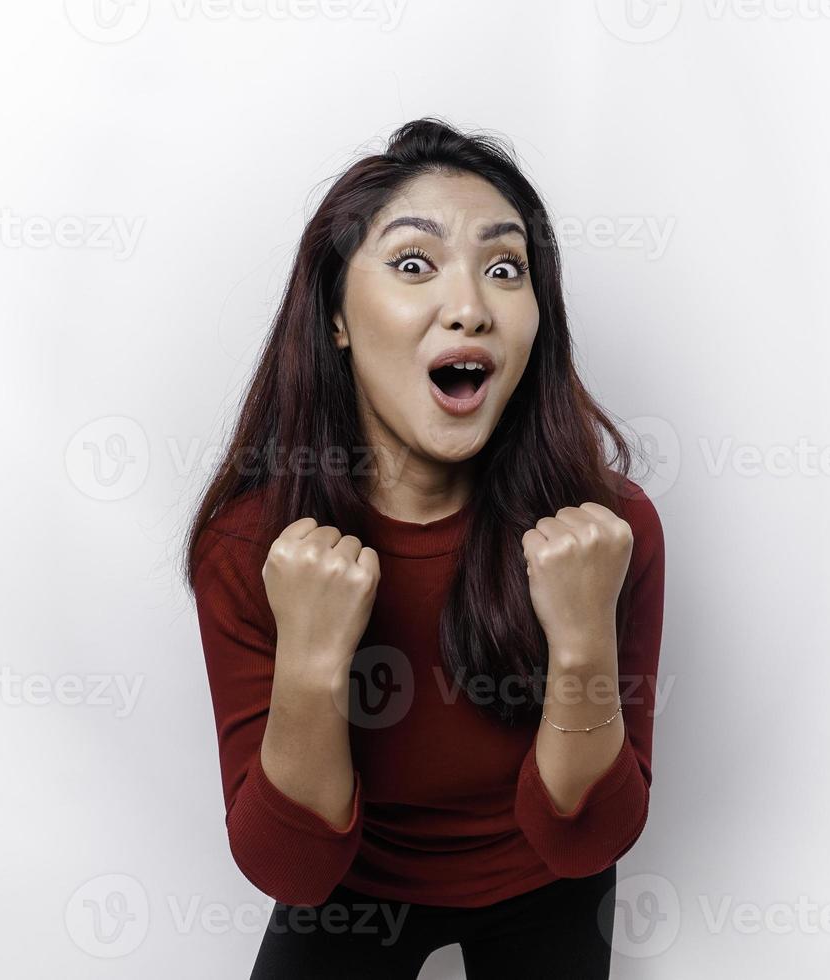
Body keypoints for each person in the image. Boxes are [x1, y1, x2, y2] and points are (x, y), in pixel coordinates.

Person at [184, 117, 666, 979]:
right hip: (350, 885)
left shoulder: (606, 530)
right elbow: (290, 868)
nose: (471, 306)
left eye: (505, 269)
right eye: (414, 264)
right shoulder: (250, 547)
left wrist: (584, 634)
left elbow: (588, 835)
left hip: (543, 878)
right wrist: (310, 660)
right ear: (336, 315)